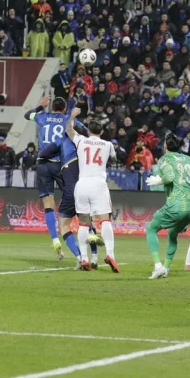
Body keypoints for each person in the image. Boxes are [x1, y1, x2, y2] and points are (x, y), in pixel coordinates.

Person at [38, 117, 107, 270]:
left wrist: (55, 156)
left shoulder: (63, 141)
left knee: (64, 225)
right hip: (88, 188)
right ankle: (94, 258)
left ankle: (80, 258)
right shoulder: (87, 145)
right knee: (86, 223)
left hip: (71, 190)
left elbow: (43, 153)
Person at [24, 96, 85, 258]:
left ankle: (55, 240)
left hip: (42, 164)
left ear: (52, 106)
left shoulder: (42, 116)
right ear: (64, 109)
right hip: (60, 164)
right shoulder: (67, 119)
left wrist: (40, 106)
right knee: (73, 197)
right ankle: (89, 230)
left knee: (48, 203)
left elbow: (27, 115)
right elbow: (83, 129)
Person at [143, 133, 190, 279]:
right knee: (172, 234)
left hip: (176, 205)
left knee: (151, 229)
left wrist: (159, 181)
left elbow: (169, 177)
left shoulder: (164, 159)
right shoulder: (187, 159)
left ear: (165, 146)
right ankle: (166, 268)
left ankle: (158, 266)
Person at [65, 108, 120, 273]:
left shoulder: (81, 141)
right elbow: (114, 160)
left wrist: (72, 116)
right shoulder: (108, 145)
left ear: (88, 131)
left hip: (82, 184)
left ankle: (84, 258)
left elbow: (69, 130)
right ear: (101, 132)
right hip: (98, 184)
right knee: (105, 221)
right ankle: (110, 254)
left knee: (83, 223)